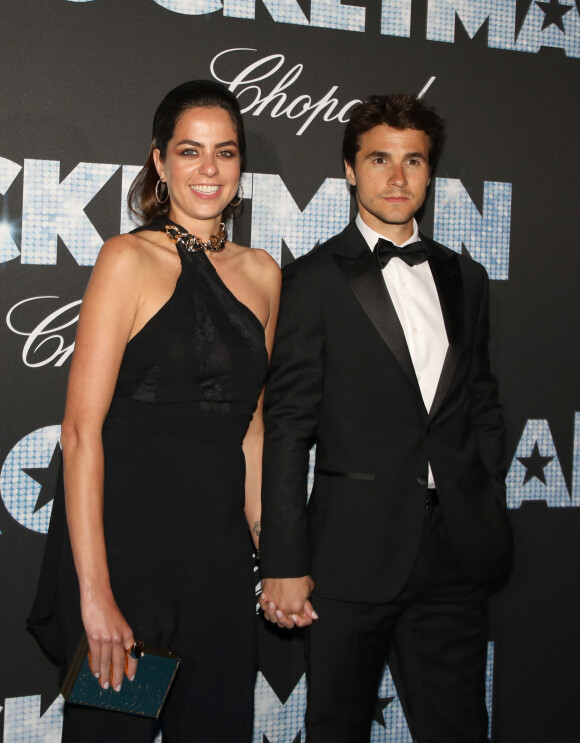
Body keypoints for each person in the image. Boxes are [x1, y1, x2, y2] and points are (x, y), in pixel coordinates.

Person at [28, 79, 280, 742]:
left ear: (240, 165)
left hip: (221, 567)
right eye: (190, 151)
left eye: (225, 152)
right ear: (160, 162)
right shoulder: (126, 259)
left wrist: (277, 551)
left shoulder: (263, 273)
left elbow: (251, 425)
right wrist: (96, 596)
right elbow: (82, 434)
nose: (208, 168)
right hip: (128, 559)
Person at [259, 94, 512, 743]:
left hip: (454, 553)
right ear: (350, 169)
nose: (397, 178)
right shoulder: (312, 280)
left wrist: (478, 485)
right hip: (349, 557)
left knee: (460, 728)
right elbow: (287, 427)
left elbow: (481, 397)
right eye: (380, 160)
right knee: (337, 728)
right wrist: (284, 559)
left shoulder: (468, 278)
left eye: (413, 161)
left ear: (430, 173)